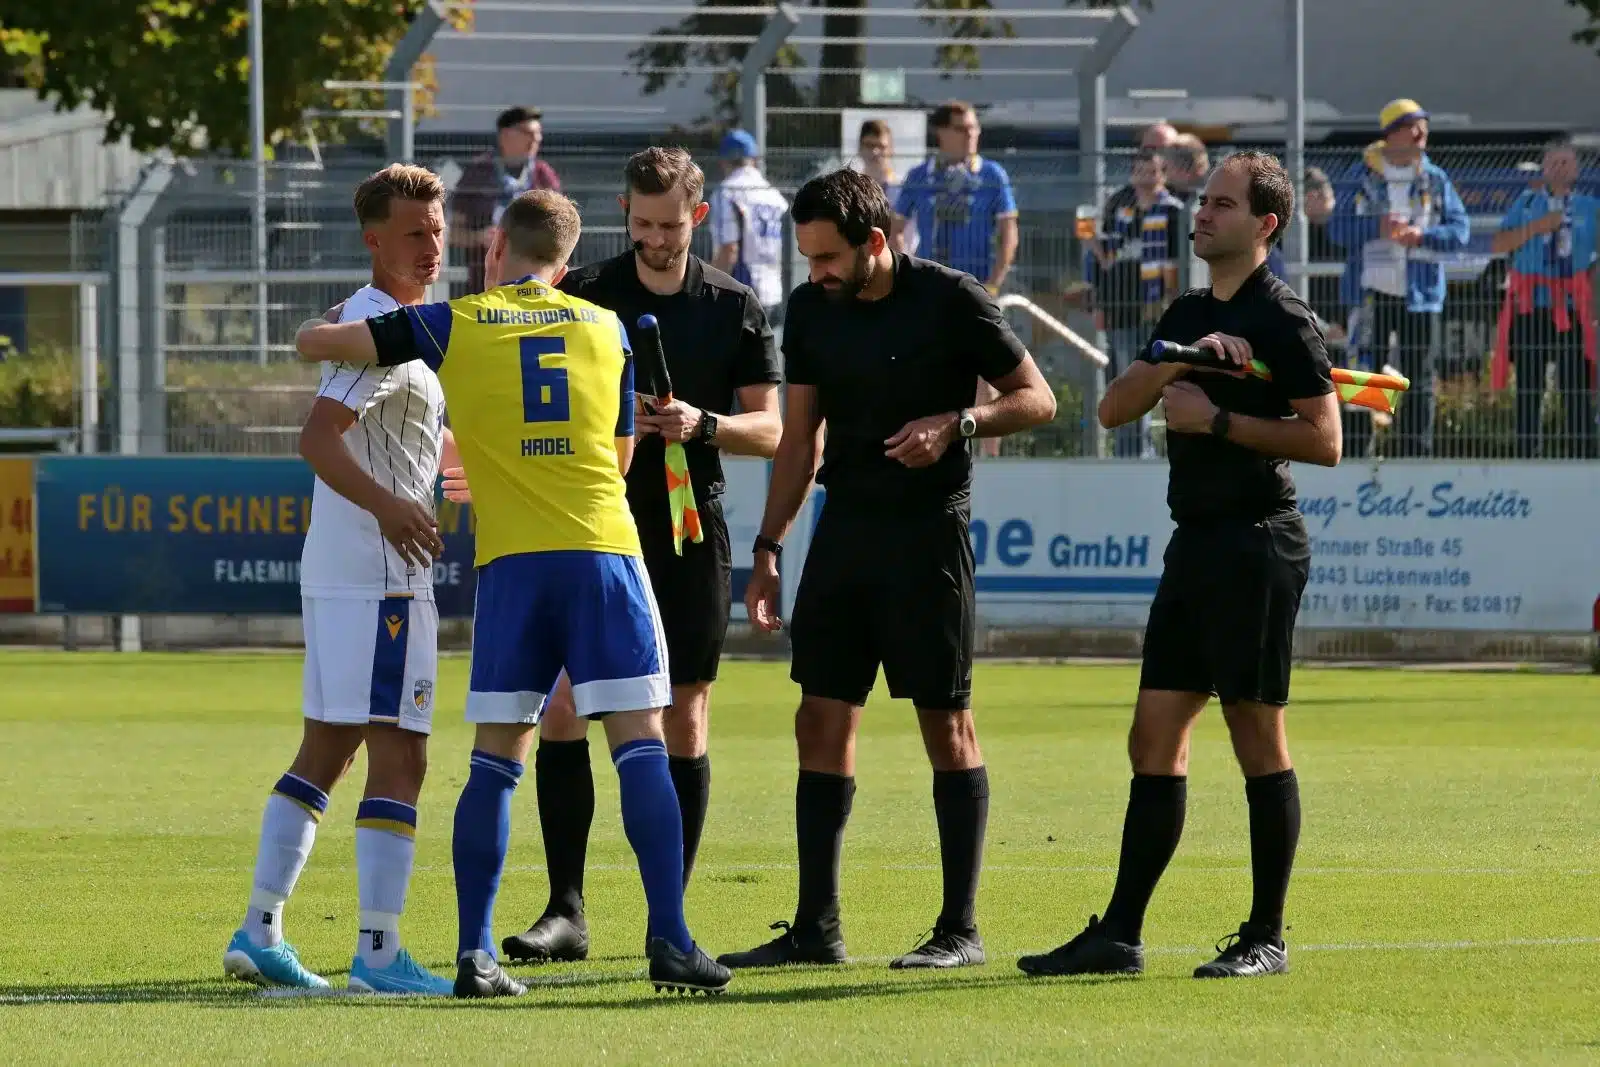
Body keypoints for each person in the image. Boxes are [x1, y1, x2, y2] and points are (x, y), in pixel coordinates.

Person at [294, 188, 732, 1000]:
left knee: (495, 761)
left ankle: (473, 953)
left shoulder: (456, 320)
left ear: (498, 246)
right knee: (641, 743)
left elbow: (321, 343)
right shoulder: (608, 326)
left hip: (514, 567)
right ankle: (669, 937)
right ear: (565, 265)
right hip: (603, 552)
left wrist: (315, 330)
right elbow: (623, 455)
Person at [1018, 151, 1341, 981]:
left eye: (1222, 205)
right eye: (1203, 201)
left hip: (1258, 543)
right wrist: (1180, 354)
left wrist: (1219, 421)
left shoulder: (1285, 318)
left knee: (1254, 733)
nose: (1202, 214)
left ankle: (1266, 935)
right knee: (1153, 734)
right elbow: (1115, 404)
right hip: (1194, 543)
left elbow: (1327, 441)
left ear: (1264, 225)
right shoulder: (1192, 306)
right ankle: (1119, 935)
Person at [725, 169, 1057, 971]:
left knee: (945, 725)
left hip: (928, 538)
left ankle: (959, 929)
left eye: (830, 257)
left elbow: (1038, 398)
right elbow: (800, 440)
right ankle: (817, 928)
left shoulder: (954, 299)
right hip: (845, 535)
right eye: (808, 257)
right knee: (820, 719)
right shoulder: (810, 310)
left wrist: (958, 422)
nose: (817, 273)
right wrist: (768, 548)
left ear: (877, 242)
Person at [500, 147, 783, 964]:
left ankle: (672, 917)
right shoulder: (587, 294)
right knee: (561, 705)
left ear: (698, 216)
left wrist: (703, 425)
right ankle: (566, 910)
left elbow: (772, 428)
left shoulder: (732, 304)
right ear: (625, 213)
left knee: (683, 711)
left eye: (670, 224)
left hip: (691, 529)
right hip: (592, 524)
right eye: (642, 223)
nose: (655, 238)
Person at [223, 164, 457, 995]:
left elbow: (372, 436)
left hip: (344, 571)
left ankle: (258, 927)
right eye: (413, 235)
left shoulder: (375, 324)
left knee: (328, 749)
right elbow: (318, 440)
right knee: (404, 756)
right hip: (381, 577)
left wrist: (435, 476)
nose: (433, 248)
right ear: (374, 241)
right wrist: (396, 506)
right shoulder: (382, 326)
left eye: (438, 230)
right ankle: (380, 952)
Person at [1327, 98, 1469, 458]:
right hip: (1371, 292)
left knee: (1418, 377)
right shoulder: (1361, 176)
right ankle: (1359, 452)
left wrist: (1421, 237)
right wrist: (1378, 227)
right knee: (1364, 375)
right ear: (1391, 134)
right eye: (1411, 125)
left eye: (1424, 125)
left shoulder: (1435, 179)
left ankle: (1415, 456)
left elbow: (1460, 230)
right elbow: (1337, 230)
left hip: (1420, 294)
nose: (1421, 132)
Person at [1490, 137, 1598, 458]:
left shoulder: (1590, 208)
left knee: (1575, 386)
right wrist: (1537, 227)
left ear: (1577, 168)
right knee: (1529, 385)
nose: (1560, 168)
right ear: (1544, 167)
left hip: (1571, 308)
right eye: (1553, 162)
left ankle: (1583, 454)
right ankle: (1527, 454)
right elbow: (1499, 245)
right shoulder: (1525, 203)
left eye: (1566, 162)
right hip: (1531, 306)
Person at [1090, 148, 1184, 457]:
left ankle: (1144, 451)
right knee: (1124, 380)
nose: (1145, 177)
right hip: (1119, 307)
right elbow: (1104, 259)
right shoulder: (1118, 203)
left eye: (1152, 171)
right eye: (1139, 170)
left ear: (1163, 174)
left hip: (1154, 307)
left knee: (1148, 381)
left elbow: (1177, 262)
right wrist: (1100, 304)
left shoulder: (1173, 211)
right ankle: (1127, 451)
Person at [892, 101, 1019, 296]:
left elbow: (1009, 231)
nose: (970, 134)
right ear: (941, 132)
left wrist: (993, 283)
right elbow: (895, 229)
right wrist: (910, 274)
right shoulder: (919, 175)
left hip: (976, 285)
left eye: (974, 127)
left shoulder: (992, 174)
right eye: (961, 129)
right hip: (930, 284)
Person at [447, 105, 563, 294]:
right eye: (528, 133)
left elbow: (562, 231)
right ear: (505, 135)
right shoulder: (477, 174)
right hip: (484, 287)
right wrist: (478, 237)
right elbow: (454, 233)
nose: (536, 139)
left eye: (538, 133)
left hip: (535, 288)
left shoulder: (544, 176)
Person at [710, 129, 791, 323]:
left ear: (723, 162)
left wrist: (709, 291)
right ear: (754, 159)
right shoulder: (774, 195)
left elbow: (729, 249)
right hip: (774, 290)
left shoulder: (727, 192)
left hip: (742, 291)